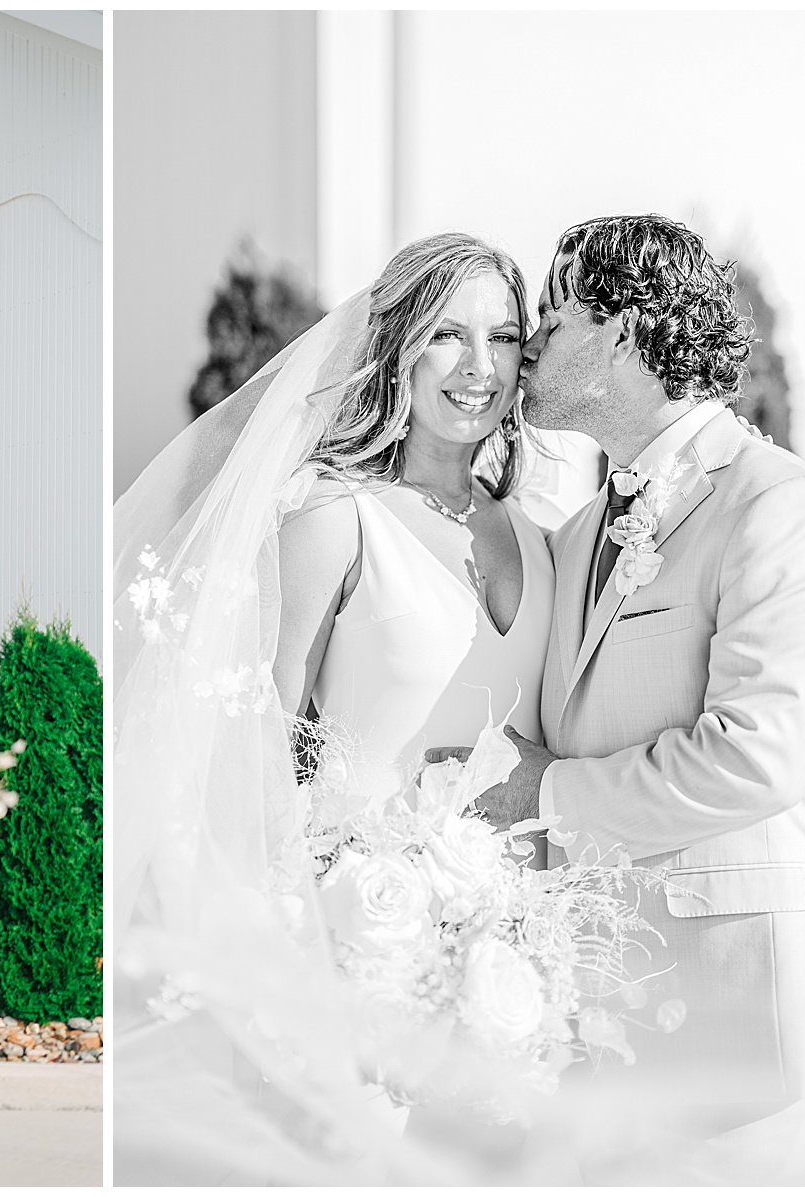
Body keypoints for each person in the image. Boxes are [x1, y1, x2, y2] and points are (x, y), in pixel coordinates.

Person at [112, 233, 560, 1183]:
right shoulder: (333, 517)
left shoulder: (542, 534)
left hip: (519, 958)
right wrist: (296, 958)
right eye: (447, 334)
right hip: (356, 949)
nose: (479, 368)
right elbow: (257, 746)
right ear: (397, 347)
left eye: (505, 337)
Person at [465, 214, 805, 1183]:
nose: (529, 344)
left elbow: (760, 754)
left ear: (620, 333)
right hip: (598, 1025)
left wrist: (546, 794)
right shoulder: (576, 532)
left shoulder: (780, 506)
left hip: (743, 1029)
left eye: (553, 315)